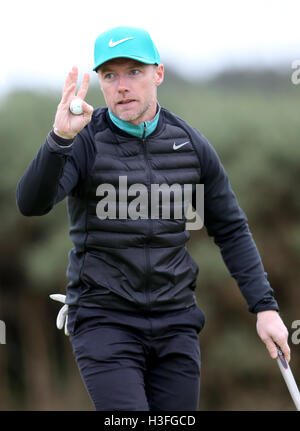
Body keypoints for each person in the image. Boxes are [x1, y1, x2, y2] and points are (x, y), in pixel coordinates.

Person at [16, 26, 290, 411]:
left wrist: (265, 308)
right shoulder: (84, 142)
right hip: (104, 321)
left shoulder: (191, 145)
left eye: (133, 72)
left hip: (176, 323)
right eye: (110, 75)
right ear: (100, 82)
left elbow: (230, 228)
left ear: (157, 74)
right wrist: (59, 139)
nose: (121, 86)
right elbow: (31, 203)